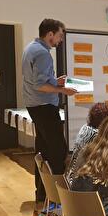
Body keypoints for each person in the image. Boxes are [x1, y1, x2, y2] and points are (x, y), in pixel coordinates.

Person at [23, 18, 77, 204]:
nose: (61, 40)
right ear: (50, 34)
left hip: (35, 105)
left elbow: (38, 80)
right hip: (44, 106)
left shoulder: (31, 48)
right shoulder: (43, 53)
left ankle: (42, 194)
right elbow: (40, 85)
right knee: (58, 151)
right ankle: (58, 197)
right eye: (60, 36)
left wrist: (55, 81)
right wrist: (63, 90)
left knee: (43, 151)